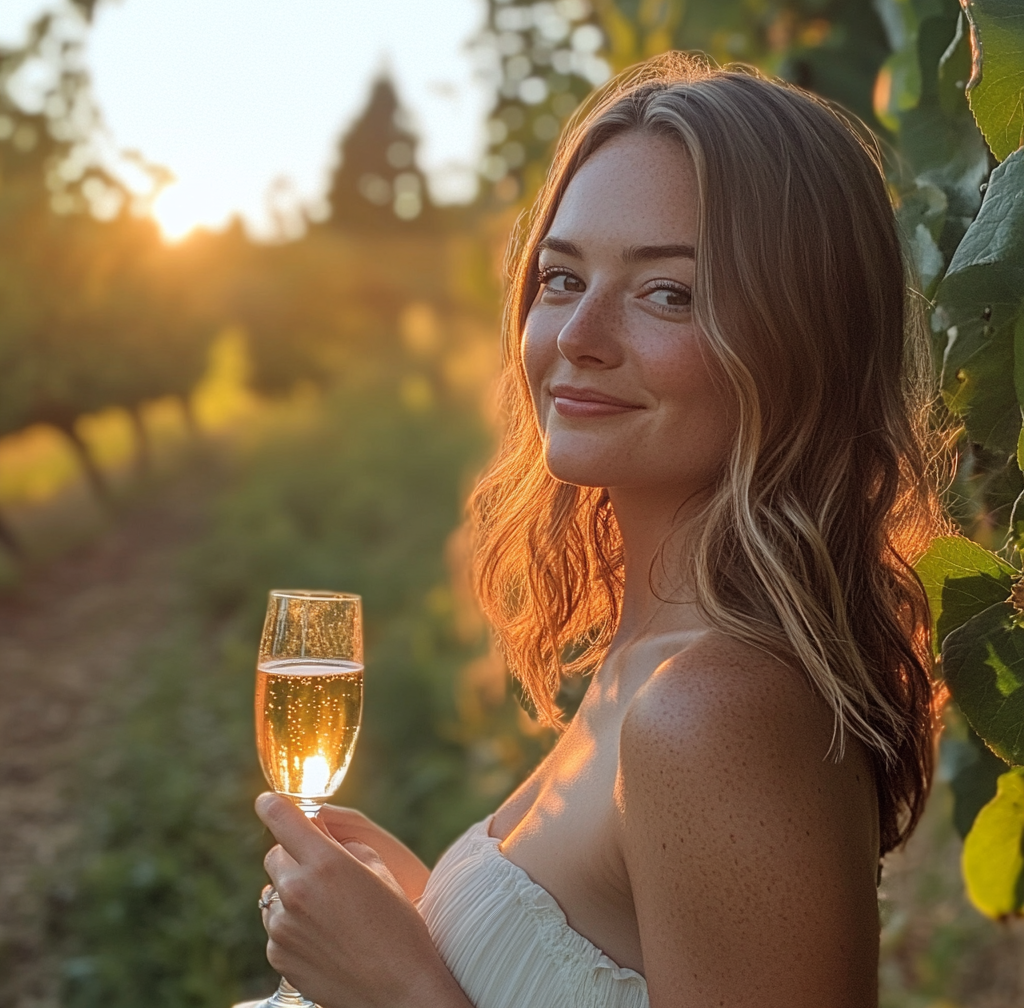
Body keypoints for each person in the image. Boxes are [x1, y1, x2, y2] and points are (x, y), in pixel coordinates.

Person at [254, 52, 943, 1008]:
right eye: (561, 277)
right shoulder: (657, 656)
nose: (578, 334)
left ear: (802, 342)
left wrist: (402, 990)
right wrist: (436, 922)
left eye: (669, 292)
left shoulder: (710, 713)